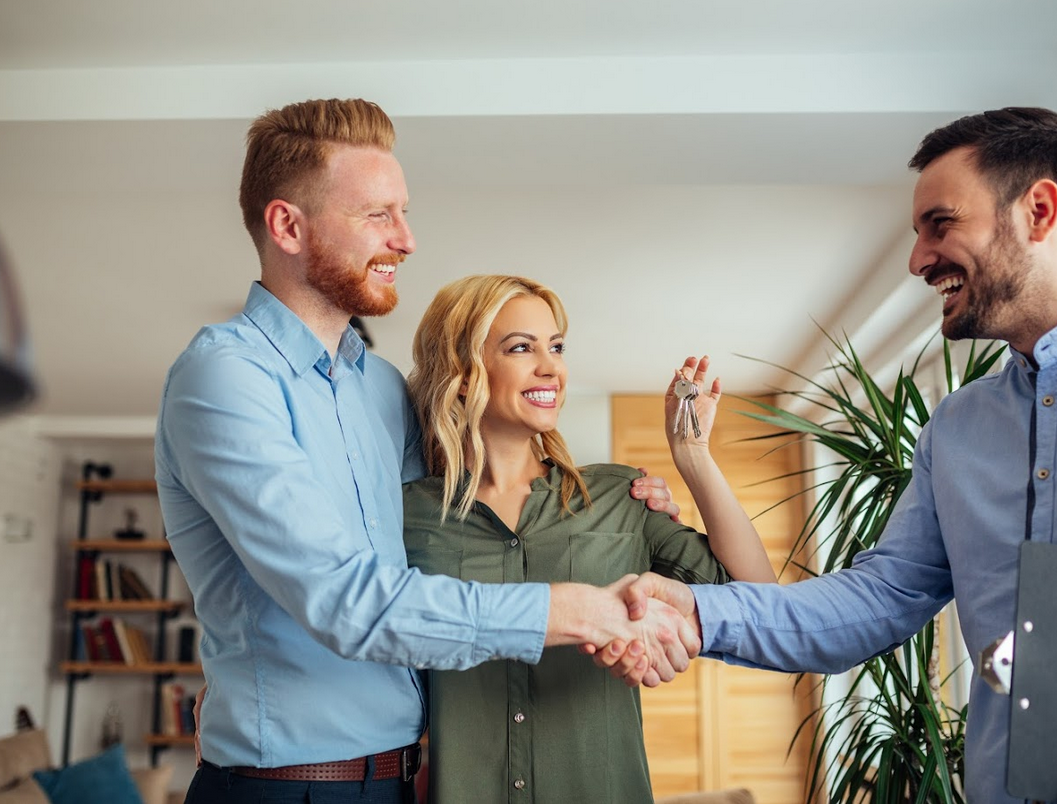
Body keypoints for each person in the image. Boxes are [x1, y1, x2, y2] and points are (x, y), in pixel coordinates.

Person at [600, 107, 1057, 804]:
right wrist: (696, 614)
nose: (917, 260)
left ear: (1038, 209)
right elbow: (879, 598)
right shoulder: (957, 429)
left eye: (940, 224)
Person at [154, 97, 700, 804]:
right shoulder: (222, 378)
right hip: (285, 789)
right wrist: (578, 611)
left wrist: (634, 500)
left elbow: (458, 535)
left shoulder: (382, 391)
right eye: (377, 215)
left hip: (403, 782)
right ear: (288, 225)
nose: (406, 240)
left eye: (403, 212)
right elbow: (346, 603)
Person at [402, 274, 776, 803]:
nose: (551, 366)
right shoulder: (408, 514)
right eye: (521, 348)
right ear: (463, 375)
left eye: (555, 347)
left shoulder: (621, 496)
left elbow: (759, 598)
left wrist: (692, 454)